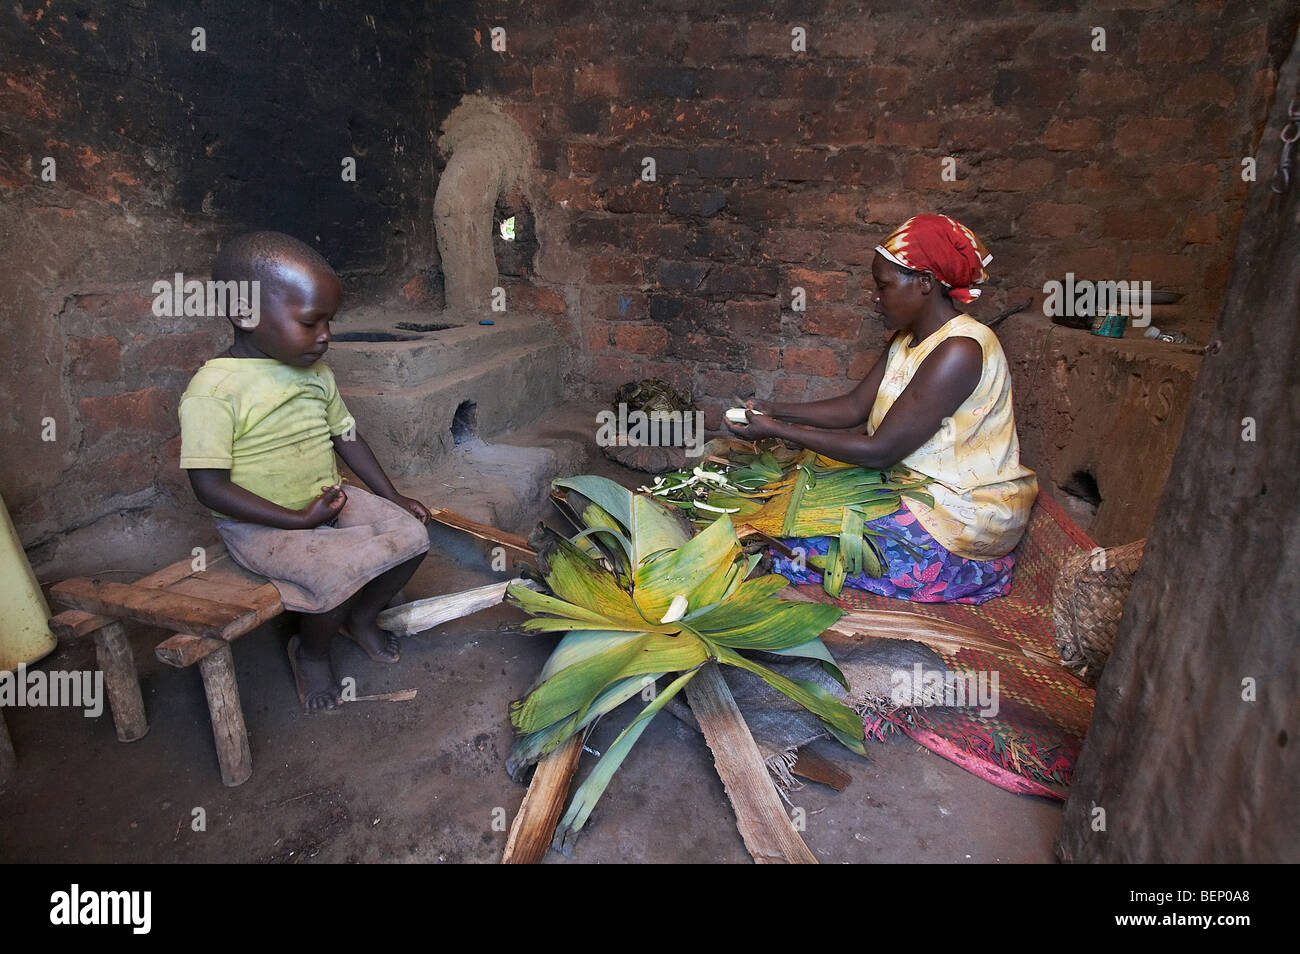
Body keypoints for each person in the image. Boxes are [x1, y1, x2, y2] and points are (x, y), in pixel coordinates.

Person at [178, 231, 431, 710]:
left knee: (413, 537)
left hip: (328, 502)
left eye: (329, 322)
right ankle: (311, 651)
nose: (326, 336)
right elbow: (208, 486)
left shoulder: (316, 373)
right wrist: (298, 520)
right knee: (337, 572)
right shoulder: (214, 390)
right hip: (262, 526)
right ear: (245, 315)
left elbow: (346, 436)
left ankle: (361, 619)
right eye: (311, 322)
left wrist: (392, 497)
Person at [727, 214, 1037, 604]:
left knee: (794, 545)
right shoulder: (907, 340)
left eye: (884, 286)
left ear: (924, 282)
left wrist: (776, 430)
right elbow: (854, 407)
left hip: (958, 514)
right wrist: (775, 410)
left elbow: (880, 451)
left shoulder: (960, 350)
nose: (876, 299)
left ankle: (963, 573)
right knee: (798, 495)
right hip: (914, 489)